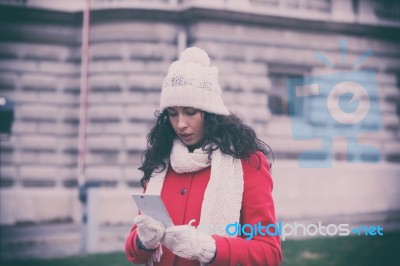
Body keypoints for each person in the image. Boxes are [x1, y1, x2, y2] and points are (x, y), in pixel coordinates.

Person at [125, 47, 282, 266]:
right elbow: (133, 253)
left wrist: (210, 248)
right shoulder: (161, 163)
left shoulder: (247, 163)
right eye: (172, 113)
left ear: (209, 112)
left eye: (190, 112)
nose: (180, 123)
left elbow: (269, 253)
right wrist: (144, 242)